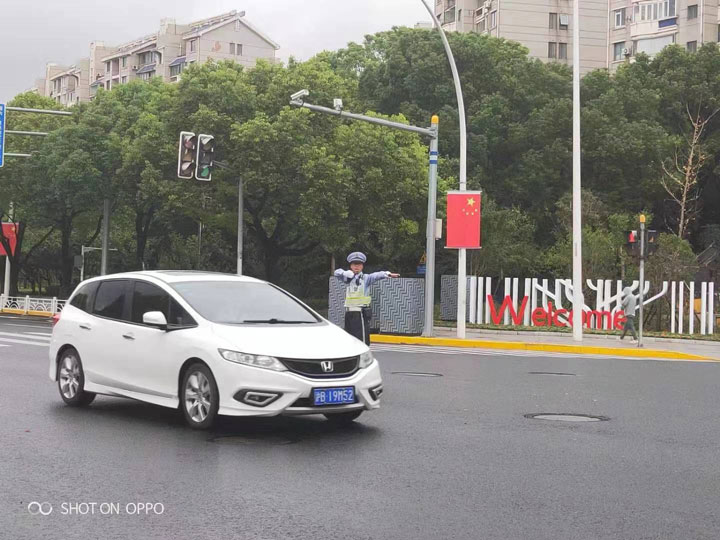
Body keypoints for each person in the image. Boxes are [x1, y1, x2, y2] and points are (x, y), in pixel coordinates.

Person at [334, 252, 400, 344]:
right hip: (349, 313)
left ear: (362, 266)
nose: (356, 266)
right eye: (354, 264)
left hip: (360, 313)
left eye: (359, 264)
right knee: (350, 338)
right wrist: (345, 273)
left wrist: (387, 274)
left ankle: (364, 353)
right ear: (351, 266)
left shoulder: (366, 278)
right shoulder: (347, 278)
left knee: (361, 339)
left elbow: (376, 275)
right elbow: (336, 273)